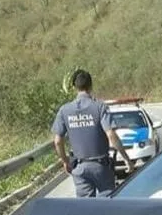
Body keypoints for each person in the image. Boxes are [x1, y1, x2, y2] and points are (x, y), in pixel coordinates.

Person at [52, 69, 134, 197]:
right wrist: (126, 159)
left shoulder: (64, 110)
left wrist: (65, 161)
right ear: (91, 86)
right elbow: (111, 135)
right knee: (105, 208)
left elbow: (57, 141)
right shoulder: (100, 107)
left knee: (86, 211)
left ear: (74, 87)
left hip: (79, 167)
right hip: (101, 167)